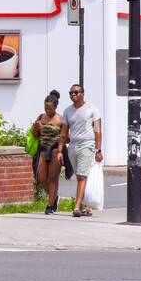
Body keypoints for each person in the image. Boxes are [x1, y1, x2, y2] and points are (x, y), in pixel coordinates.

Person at [60, 84, 103, 218]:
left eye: (76, 92)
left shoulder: (92, 109)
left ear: (83, 93)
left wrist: (98, 150)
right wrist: (60, 150)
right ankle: (88, 206)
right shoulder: (67, 111)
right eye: (71, 93)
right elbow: (64, 133)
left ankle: (77, 206)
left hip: (87, 145)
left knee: (81, 176)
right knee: (84, 175)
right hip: (73, 147)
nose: (73, 95)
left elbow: (98, 131)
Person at [30, 91, 64, 214]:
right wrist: (36, 126)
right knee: (42, 178)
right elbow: (35, 135)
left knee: (53, 178)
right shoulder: (40, 117)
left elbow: (66, 137)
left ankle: (50, 205)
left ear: (55, 107)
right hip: (43, 150)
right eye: (46, 108)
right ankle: (54, 197)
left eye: (50, 108)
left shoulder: (60, 119)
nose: (47, 111)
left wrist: (60, 146)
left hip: (55, 151)